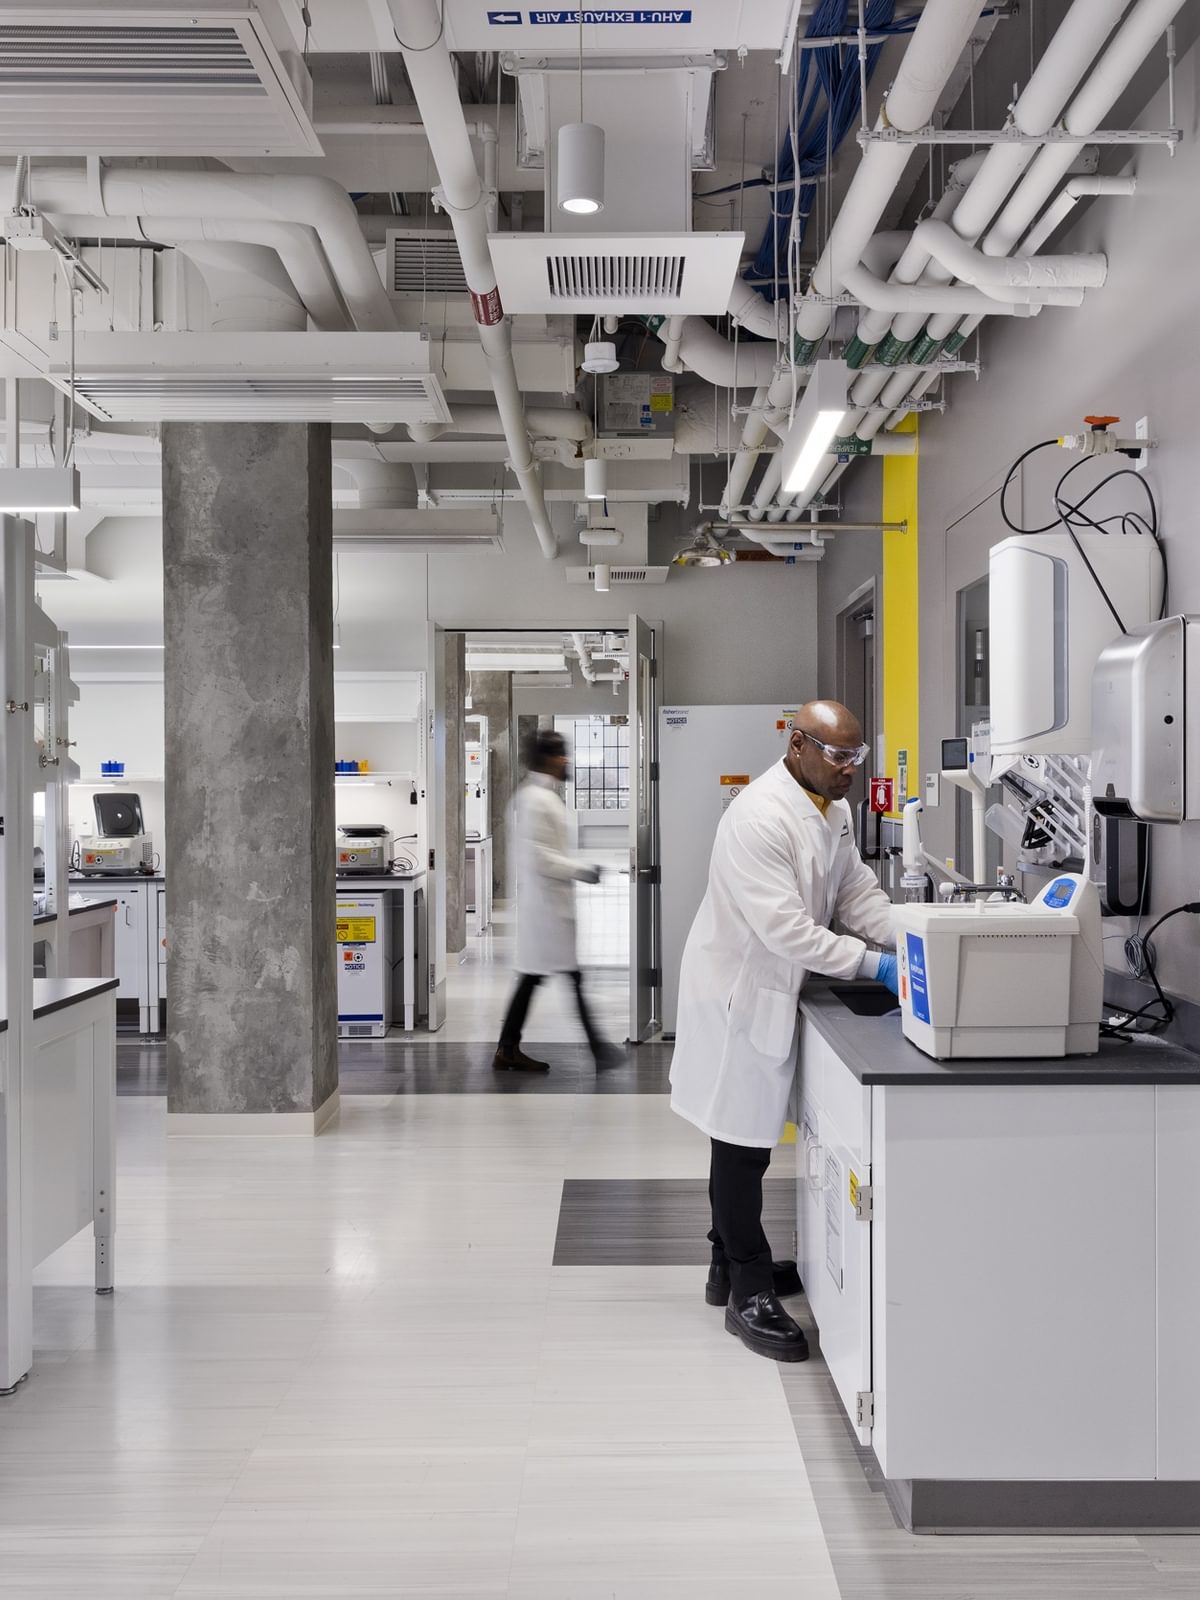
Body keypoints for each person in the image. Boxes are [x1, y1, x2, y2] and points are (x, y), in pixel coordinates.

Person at [670, 700, 898, 1363]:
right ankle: (747, 1291)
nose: (851, 769)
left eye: (858, 757)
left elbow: (856, 894)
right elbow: (788, 930)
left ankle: (727, 1267)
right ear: (797, 744)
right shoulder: (759, 817)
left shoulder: (836, 810)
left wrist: (912, 938)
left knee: (747, 1143)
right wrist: (873, 965)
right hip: (739, 993)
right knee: (740, 1146)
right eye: (838, 755)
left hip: (773, 988)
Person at [494, 728, 623, 1073]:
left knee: (536, 977)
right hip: (546, 909)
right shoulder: (534, 799)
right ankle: (599, 1051)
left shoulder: (539, 796)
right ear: (548, 759)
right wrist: (583, 870)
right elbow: (538, 858)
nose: (566, 760)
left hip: (549, 908)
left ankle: (508, 1048)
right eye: (561, 754)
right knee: (562, 976)